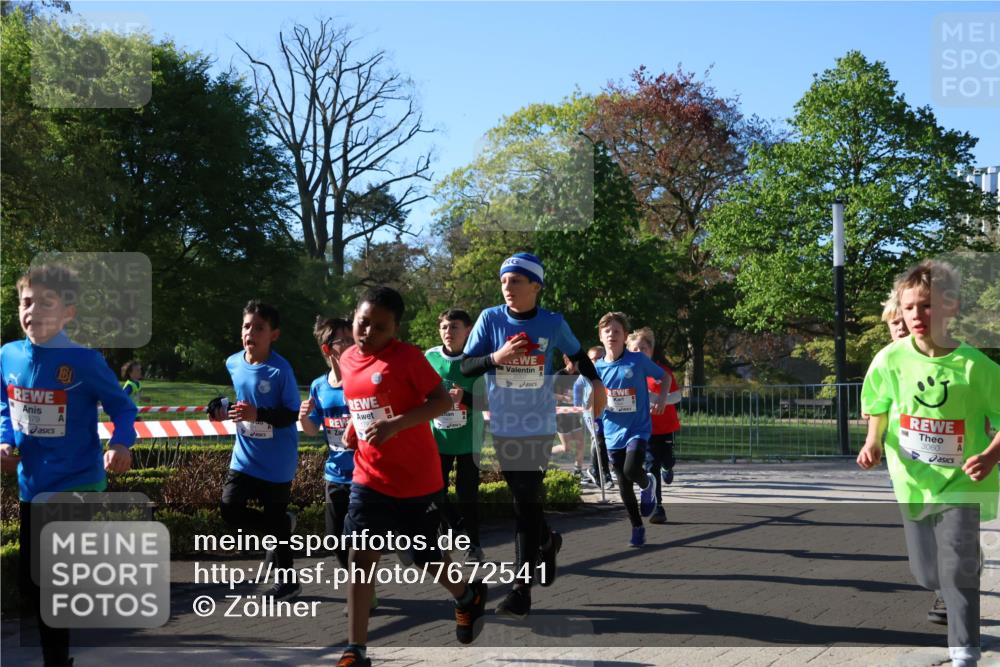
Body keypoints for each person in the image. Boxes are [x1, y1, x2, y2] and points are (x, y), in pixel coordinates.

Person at [857, 260, 1000, 667]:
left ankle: (965, 653)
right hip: (912, 482)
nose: (917, 316)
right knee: (927, 574)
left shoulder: (976, 366)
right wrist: (872, 443)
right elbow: (878, 406)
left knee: (956, 570)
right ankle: (951, 579)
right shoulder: (889, 360)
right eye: (909, 307)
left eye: (927, 306)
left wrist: (990, 456)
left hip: (961, 483)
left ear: (951, 308)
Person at [336, 287, 487, 667]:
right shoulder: (349, 357)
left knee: (423, 555)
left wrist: (395, 425)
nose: (367, 332)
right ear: (353, 318)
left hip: (416, 478)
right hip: (368, 475)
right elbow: (363, 402)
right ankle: (356, 650)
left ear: (395, 330)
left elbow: (440, 402)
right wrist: (357, 427)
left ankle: (466, 595)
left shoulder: (408, 358)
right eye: (362, 323)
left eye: (379, 327)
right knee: (360, 554)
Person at [1, 264, 137, 667]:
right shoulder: (8, 355)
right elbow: (5, 407)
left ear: (68, 313)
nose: (34, 311)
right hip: (33, 484)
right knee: (31, 585)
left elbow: (122, 407)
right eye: (27, 302)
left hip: (79, 482)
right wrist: (5, 440)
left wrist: (120, 443)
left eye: (47, 303)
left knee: (48, 578)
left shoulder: (84, 361)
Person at [461, 252, 606, 619]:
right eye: (504, 281)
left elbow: (579, 355)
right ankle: (546, 540)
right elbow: (466, 365)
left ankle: (520, 590)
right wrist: (498, 356)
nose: (507, 287)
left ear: (536, 286)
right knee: (523, 498)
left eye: (516, 281)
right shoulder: (490, 319)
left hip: (539, 425)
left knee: (524, 501)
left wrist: (597, 383)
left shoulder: (552, 323)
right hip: (504, 424)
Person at [209, 300, 302, 600]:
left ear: (273, 334)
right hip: (245, 457)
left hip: (277, 461)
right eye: (247, 326)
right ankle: (283, 524)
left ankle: (288, 583)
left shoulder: (281, 370)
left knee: (274, 521)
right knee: (229, 508)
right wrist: (220, 406)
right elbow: (240, 399)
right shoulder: (233, 362)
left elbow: (290, 414)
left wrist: (257, 415)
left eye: (259, 328)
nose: (251, 332)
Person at [298, 316, 378, 613]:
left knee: (360, 540)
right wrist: (304, 415)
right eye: (341, 341)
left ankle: (362, 594)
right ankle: (363, 588)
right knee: (336, 541)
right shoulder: (320, 386)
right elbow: (310, 430)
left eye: (350, 338)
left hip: (363, 473)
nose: (348, 345)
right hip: (335, 474)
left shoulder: (363, 379)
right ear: (327, 349)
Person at [595, 313, 670, 547]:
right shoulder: (596, 368)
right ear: (600, 337)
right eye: (607, 332)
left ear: (624, 336)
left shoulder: (637, 360)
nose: (612, 335)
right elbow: (589, 395)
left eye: (617, 331)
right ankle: (637, 528)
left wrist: (662, 399)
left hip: (638, 428)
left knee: (630, 469)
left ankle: (647, 484)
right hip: (611, 431)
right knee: (623, 483)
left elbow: (664, 377)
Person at [425, 308, 487, 563]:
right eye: (444, 327)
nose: (448, 332)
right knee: (433, 491)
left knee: (467, 494)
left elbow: (490, 401)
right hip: (437, 439)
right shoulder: (428, 357)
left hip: (469, 439)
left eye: (454, 327)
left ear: (468, 330)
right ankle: (456, 525)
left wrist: (465, 398)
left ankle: (473, 546)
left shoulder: (478, 360)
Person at [626, 327, 682, 524]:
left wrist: (659, 400)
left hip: (665, 427)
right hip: (644, 429)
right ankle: (659, 508)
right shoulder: (627, 373)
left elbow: (677, 396)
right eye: (635, 349)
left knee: (666, 460)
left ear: (650, 351)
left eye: (643, 348)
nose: (639, 352)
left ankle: (669, 466)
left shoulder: (661, 372)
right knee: (651, 467)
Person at [581, 346, 613, 489]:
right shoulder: (585, 375)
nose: (596, 361)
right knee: (598, 439)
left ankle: (595, 469)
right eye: (593, 359)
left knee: (604, 442)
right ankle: (602, 473)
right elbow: (577, 391)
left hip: (607, 413)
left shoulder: (607, 371)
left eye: (600, 358)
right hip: (592, 414)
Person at [553, 354, 586, 476]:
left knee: (580, 442)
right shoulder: (559, 376)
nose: (576, 366)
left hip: (574, 414)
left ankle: (578, 470)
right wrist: (564, 397)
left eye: (577, 363)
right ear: (566, 360)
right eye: (573, 362)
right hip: (561, 415)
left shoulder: (579, 375)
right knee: (566, 448)